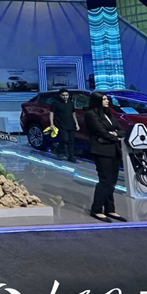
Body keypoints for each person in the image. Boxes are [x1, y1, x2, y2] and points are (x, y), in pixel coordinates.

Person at [84, 91, 126, 223]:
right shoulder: (91, 114)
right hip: (101, 151)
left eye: (107, 99)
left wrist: (115, 134)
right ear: (97, 101)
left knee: (112, 181)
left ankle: (110, 209)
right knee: (105, 180)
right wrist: (114, 136)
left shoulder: (108, 114)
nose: (107, 101)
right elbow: (100, 132)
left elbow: (122, 130)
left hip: (114, 150)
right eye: (104, 99)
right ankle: (96, 209)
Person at [49, 88, 79, 162]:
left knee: (71, 141)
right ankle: (59, 150)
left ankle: (71, 156)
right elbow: (51, 113)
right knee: (64, 139)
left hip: (71, 124)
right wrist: (52, 124)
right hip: (61, 124)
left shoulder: (71, 103)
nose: (65, 97)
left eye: (66, 95)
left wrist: (76, 124)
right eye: (63, 95)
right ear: (60, 95)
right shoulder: (55, 103)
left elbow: (73, 113)